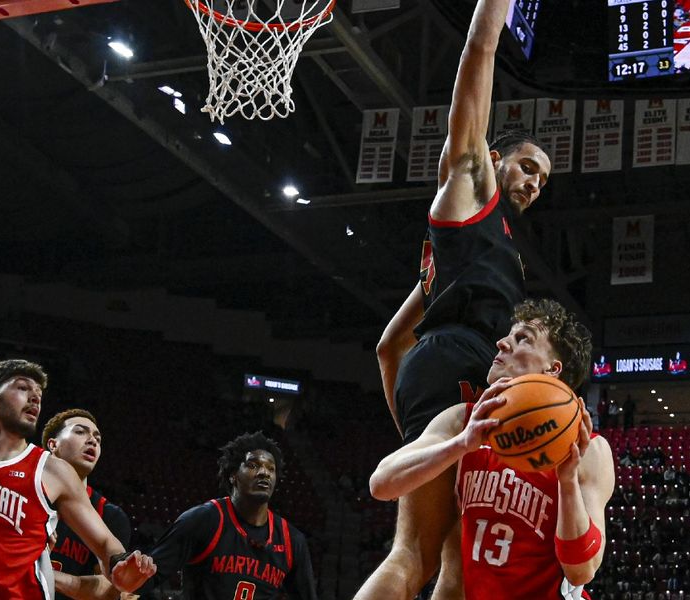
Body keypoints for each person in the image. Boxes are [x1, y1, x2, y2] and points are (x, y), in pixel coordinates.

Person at [362, 0, 552, 597]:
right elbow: (481, 50)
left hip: (438, 375)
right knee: (415, 556)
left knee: (457, 563)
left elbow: (388, 347)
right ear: (496, 158)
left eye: (542, 180)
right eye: (526, 166)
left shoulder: (464, 262)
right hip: (460, 365)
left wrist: (417, 433)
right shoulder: (471, 181)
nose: (532, 182)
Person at [369, 299, 614, 599]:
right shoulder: (464, 419)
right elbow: (381, 483)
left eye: (522, 338)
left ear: (553, 369)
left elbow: (582, 569)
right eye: (508, 335)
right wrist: (460, 445)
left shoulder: (589, 448)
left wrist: (566, 482)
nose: (502, 343)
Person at [0, 359, 155, 599]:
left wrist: (120, 565)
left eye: (38, 394)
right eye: (22, 388)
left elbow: (106, 544)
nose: (35, 398)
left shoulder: (53, 471)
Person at [55, 431, 318, 600]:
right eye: (253, 465)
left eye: (270, 469)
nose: (264, 473)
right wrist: (131, 577)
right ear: (232, 475)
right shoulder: (204, 520)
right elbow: (149, 579)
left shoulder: (292, 540)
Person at [41, 409, 132, 600]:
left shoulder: (109, 515)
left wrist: (44, 574)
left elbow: (112, 590)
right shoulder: (22, 493)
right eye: (80, 432)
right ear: (53, 444)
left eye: (97, 438)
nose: (92, 440)